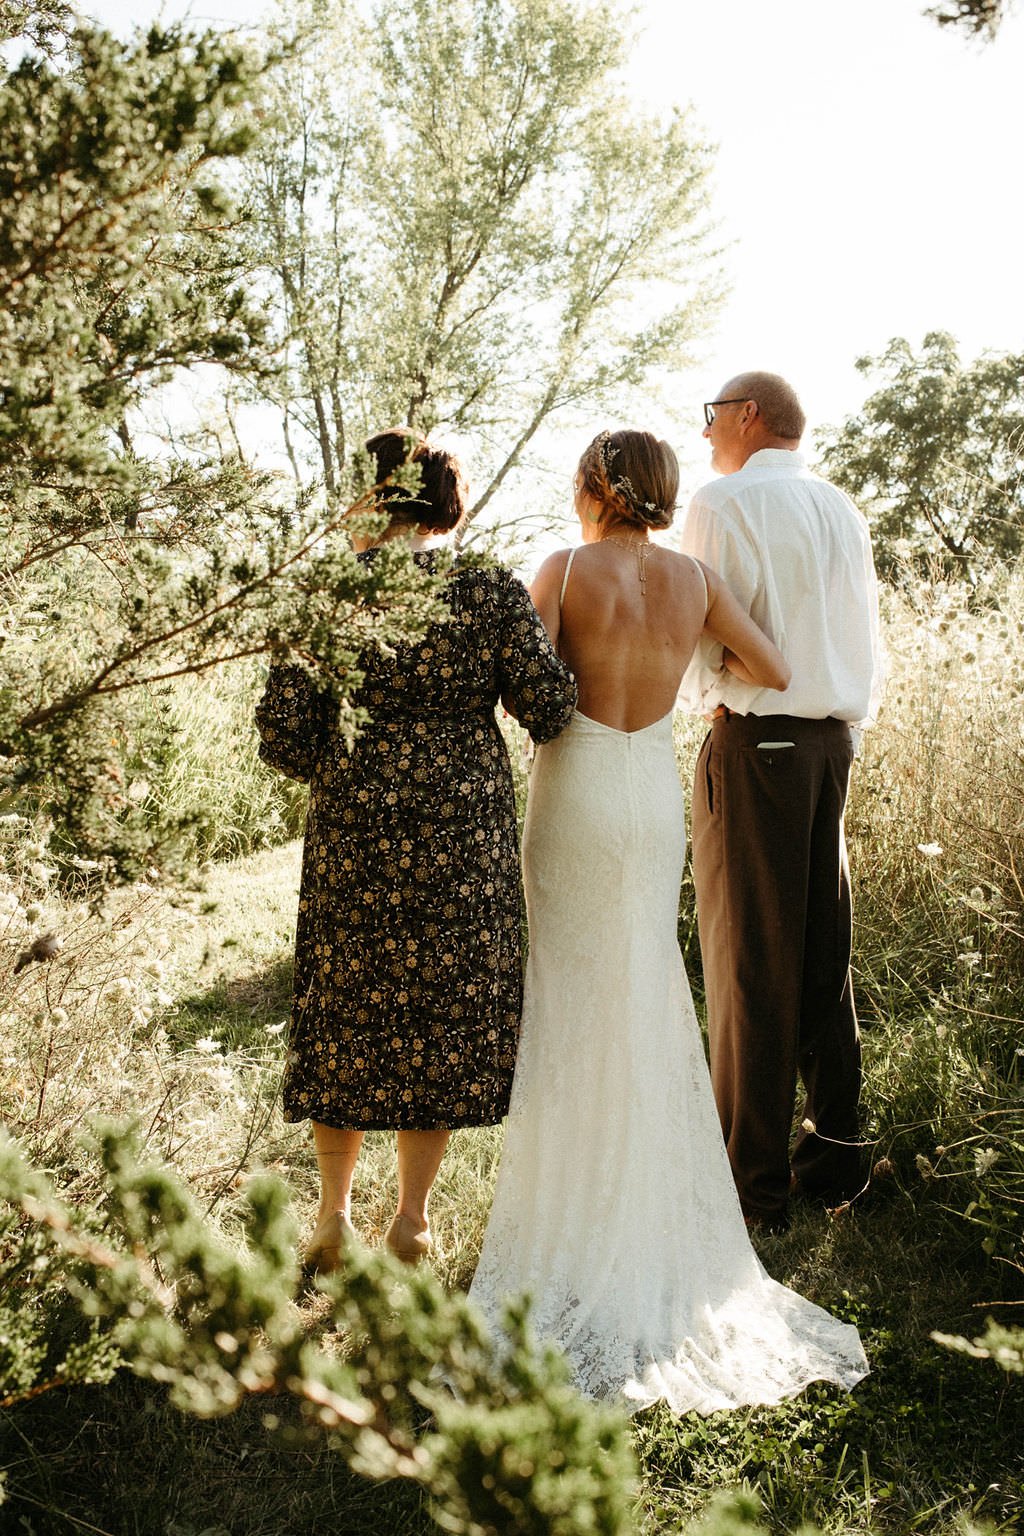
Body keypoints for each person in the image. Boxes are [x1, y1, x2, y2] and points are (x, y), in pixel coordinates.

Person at [468, 428, 868, 1415]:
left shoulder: (561, 571)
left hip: (574, 796)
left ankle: (570, 1220)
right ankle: (640, 1212)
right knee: (647, 990)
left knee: (571, 1002)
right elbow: (770, 667)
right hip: (650, 799)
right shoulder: (692, 578)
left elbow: (519, 688)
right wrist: (693, 687)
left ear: (595, 488)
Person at [256, 429, 576, 1273]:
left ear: (374, 499)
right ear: (448, 503)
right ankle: (413, 1221)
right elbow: (548, 707)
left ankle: (331, 1216)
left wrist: (356, 768)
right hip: (460, 834)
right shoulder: (489, 590)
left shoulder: (328, 599)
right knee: (436, 1009)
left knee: (348, 1008)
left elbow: (282, 732)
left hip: (353, 834)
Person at [679, 372, 883, 1232]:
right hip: (832, 743)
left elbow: (704, 627)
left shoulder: (723, 503)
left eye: (712, 416)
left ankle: (752, 1190)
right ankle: (837, 1163)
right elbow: (860, 636)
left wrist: (702, 694)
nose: (705, 433)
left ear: (748, 416)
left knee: (749, 963)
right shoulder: (842, 508)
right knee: (820, 953)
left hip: (758, 744)